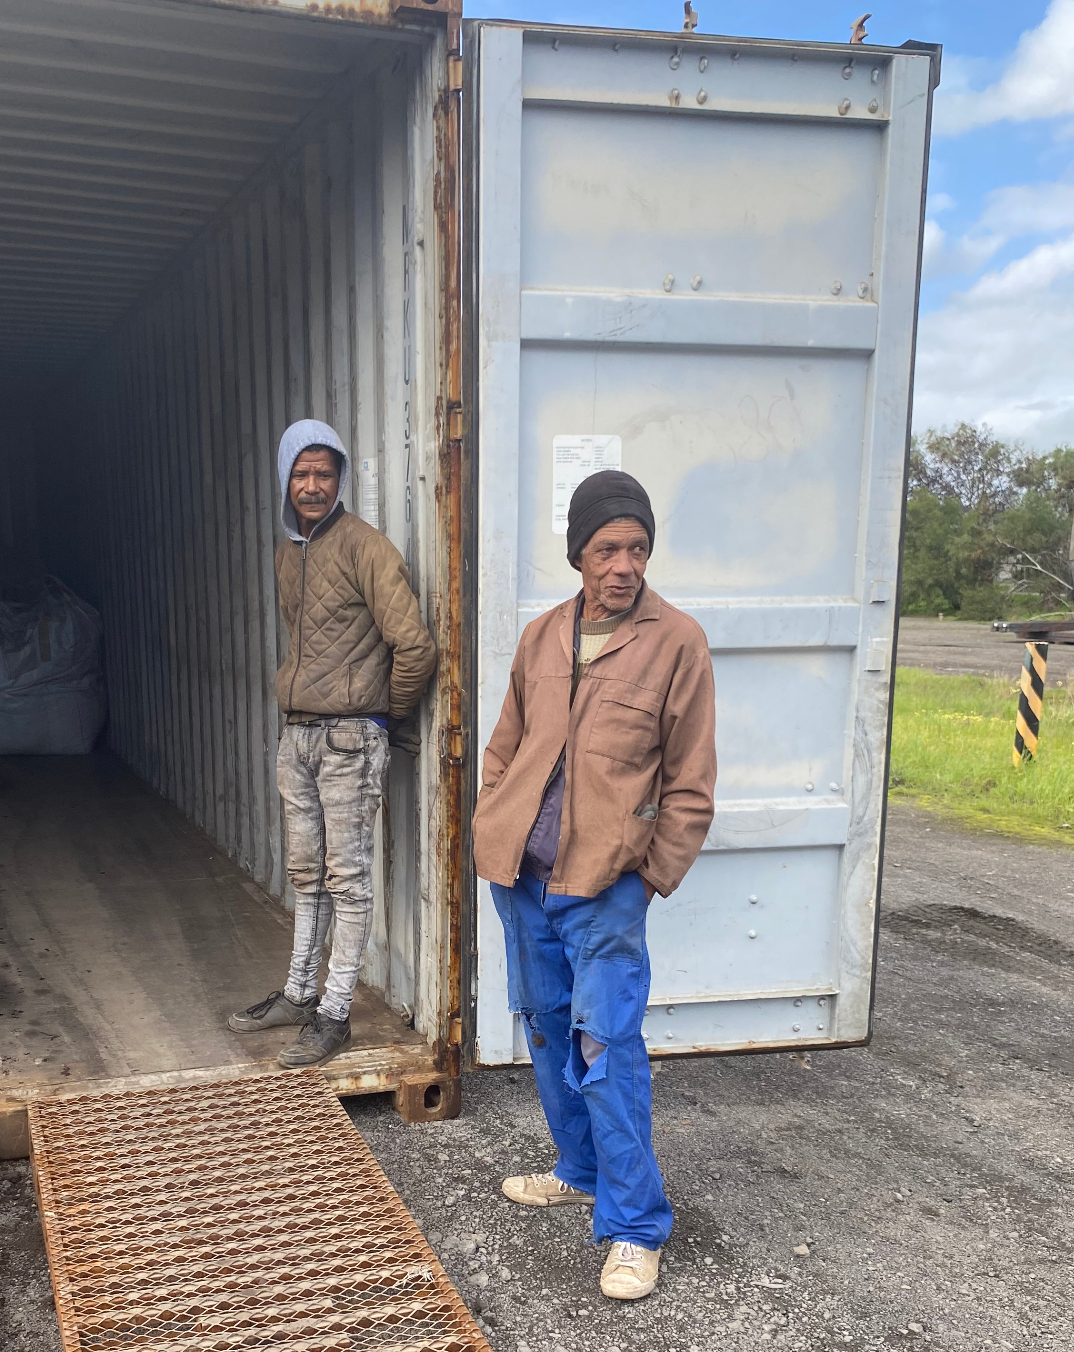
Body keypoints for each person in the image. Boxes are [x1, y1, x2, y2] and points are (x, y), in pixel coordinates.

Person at [472, 469, 716, 1300]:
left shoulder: (677, 640)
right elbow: (505, 744)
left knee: (603, 1049)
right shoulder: (542, 637)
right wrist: (492, 817)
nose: (624, 564)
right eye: (608, 547)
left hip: (606, 888)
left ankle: (634, 1226)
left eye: (638, 548)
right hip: (525, 878)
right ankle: (578, 1170)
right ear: (578, 553)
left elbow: (690, 783)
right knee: (546, 1032)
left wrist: (648, 877)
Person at [229, 420, 437, 1068]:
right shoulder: (286, 552)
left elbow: (416, 647)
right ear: (285, 481)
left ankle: (335, 1013)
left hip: (349, 739)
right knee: (305, 874)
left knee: (346, 881)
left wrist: (381, 720)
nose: (313, 486)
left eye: (325, 473)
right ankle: (298, 992)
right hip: (298, 736)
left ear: (339, 478)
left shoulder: (366, 549)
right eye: (302, 474)